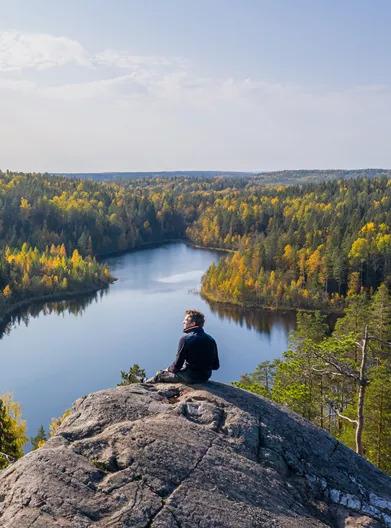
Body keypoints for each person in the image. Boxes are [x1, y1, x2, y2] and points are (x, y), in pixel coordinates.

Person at [146, 309, 219, 384]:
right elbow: (216, 366)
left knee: (160, 374)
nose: (183, 322)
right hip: (205, 377)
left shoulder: (185, 339)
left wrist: (167, 370)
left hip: (189, 377)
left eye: (186, 320)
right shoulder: (211, 339)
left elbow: (177, 366)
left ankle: (144, 382)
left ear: (193, 323)